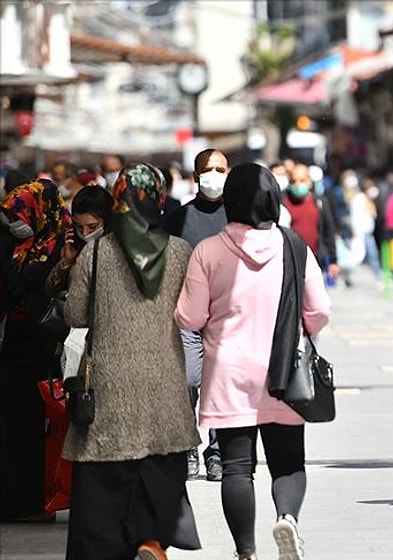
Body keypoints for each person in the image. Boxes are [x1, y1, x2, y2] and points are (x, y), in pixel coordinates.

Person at [174, 163, 331, 559]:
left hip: (228, 371)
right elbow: (320, 310)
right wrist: (301, 327)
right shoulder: (293, 245)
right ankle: (288, 519)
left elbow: (188, 317)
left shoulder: (208, 251)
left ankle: (246, 552)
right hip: (284, 371)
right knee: (288, 462)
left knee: (237, 468)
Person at [62, 163, 201, 559]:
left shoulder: (96, 252)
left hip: (109, 385)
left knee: (104, 482)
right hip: (164, 384)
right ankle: (150, 540)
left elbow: (74, 315)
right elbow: (192, 314)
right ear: (158, 198)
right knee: (157, 470)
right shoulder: (179, 252)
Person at [0, 178, 72, 522]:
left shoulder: (62, 242)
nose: (14, 222)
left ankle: (36, 501)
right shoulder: (13, 243)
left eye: (20, 213)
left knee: (39, 428)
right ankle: (14, 499)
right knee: (13, 426)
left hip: (45, 346)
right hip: (11, 344)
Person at [165, 148, 230, 482]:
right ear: (195, 176)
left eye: (220, 169)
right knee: (190, 382)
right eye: (208, 169)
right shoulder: (178, 218)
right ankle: (188, 446)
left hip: (226, 317)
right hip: (188, 315)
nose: (214, 175)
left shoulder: (238, 216)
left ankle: (216, 453)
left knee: (218, 386)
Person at [45, 185, 114, 296]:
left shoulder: (120, 248)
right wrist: (66, 262)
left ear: (107, 221)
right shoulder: (71, 245)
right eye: (79, 227)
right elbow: (50, 291)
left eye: (92, 227)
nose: (85, 233)